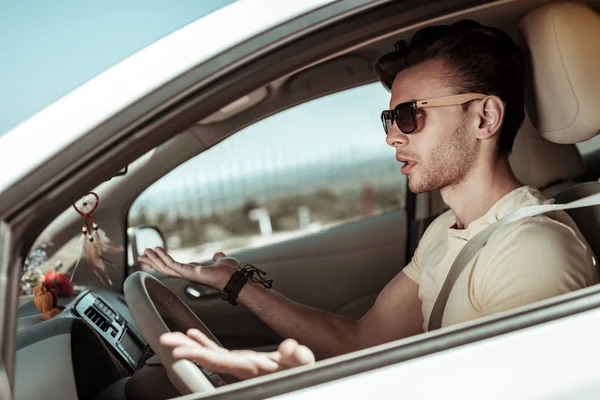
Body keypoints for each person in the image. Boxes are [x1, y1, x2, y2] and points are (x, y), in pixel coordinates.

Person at [138, 20, 598, 381]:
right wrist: (237, 283)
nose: (392, 136)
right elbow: (360, 340)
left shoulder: (531, 251)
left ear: (484, 116)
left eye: (408, 115)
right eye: (389, 118)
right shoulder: (448, 230)